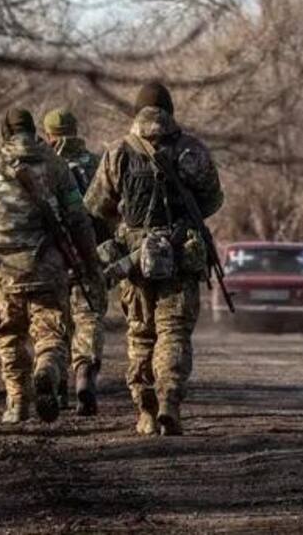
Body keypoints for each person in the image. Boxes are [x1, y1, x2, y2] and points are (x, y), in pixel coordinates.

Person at [84, 83, 223, 436]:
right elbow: (212, 201)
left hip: (134, 259)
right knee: (174, 333)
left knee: (141, 335)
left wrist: (130, 226)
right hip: (180, 256)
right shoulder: (192, 150)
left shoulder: (118, 152)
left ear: (137, 112)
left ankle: (145, 410)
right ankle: (170, 403)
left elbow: (97, 207)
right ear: (171, 110)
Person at [0, 109, 101, 424]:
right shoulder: (56, 165)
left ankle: (19, 402)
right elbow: (78, 219)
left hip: (4, 268)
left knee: (8, 333)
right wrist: (89, 262)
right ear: (34, 130)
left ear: (5, 133)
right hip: (48, 266)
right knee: (51, 332)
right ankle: (47, 370)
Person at [41, 108, 108, 416]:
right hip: (91, 253)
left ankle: (56, 384)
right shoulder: (97, 163)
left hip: (52, 256)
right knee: (89, 317)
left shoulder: (45, 166)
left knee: (55, 321)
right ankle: (84, 372)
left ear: (49, 135)